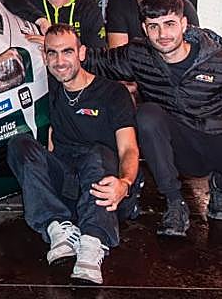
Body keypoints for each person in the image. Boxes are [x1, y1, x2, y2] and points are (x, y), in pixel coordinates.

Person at [83, 0, 222, 237]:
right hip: (182, 144)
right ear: (144, 28)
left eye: (169, 24)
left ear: (184, 24)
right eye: (154, 26)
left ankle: (220, 185)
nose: (162, 35)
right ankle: (174, 204)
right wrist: (59, 47)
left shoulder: (221, 61)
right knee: (147, 115)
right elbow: (98, 60)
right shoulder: (138, 56)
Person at [7, 24, 139, 285]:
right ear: (44, 58)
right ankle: (58, 228)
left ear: (82, 53)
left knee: (97, 153)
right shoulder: (50, 89)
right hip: (68, 185)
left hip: (106, 189)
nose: (60, 61)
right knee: (19, 144)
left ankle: (92, 242)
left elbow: (129, 149)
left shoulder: (113, 93)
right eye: (52, 53)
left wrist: (125, 183)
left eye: (67, 52)